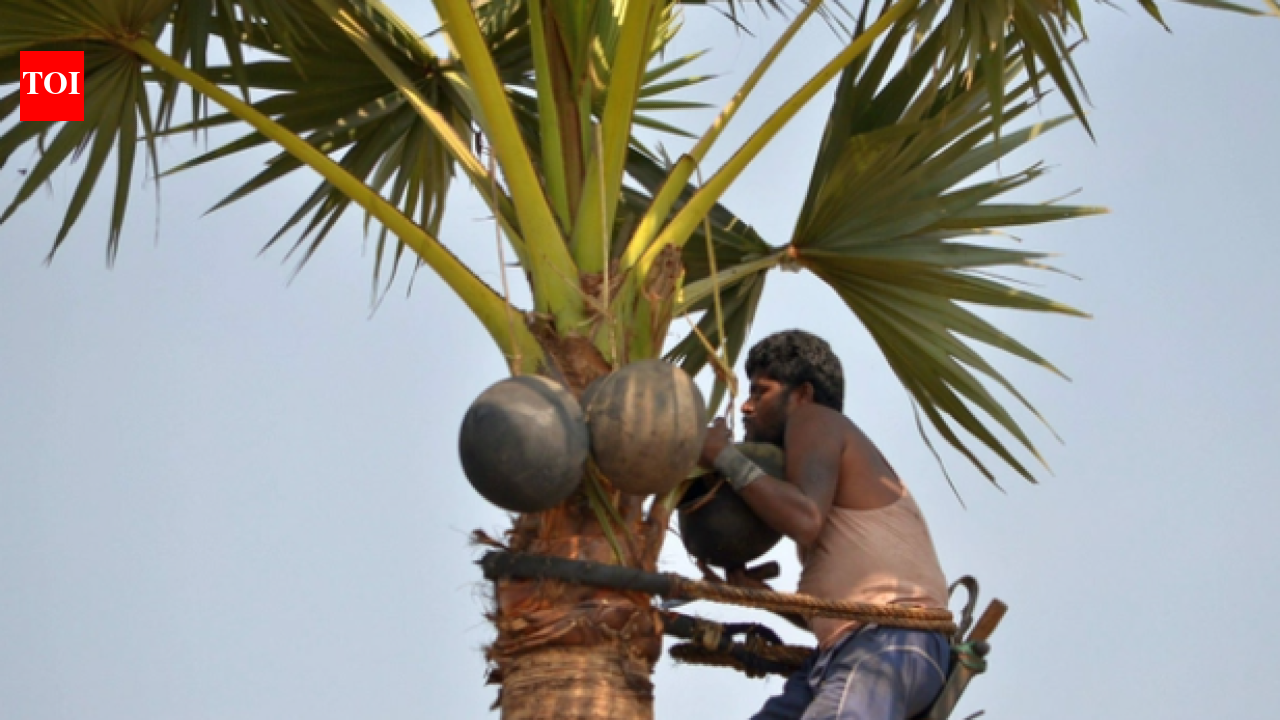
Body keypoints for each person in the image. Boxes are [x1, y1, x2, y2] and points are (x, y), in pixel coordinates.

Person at [698, 330, 951, 720]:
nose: (746, 407)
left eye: (760, 392)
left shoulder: (814, 419)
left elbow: (805, 520)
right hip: (849, 649)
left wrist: (723, 456)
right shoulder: (820, 459)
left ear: (802, 394)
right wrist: (758, 593)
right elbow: (841, 611)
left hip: (892, 641)